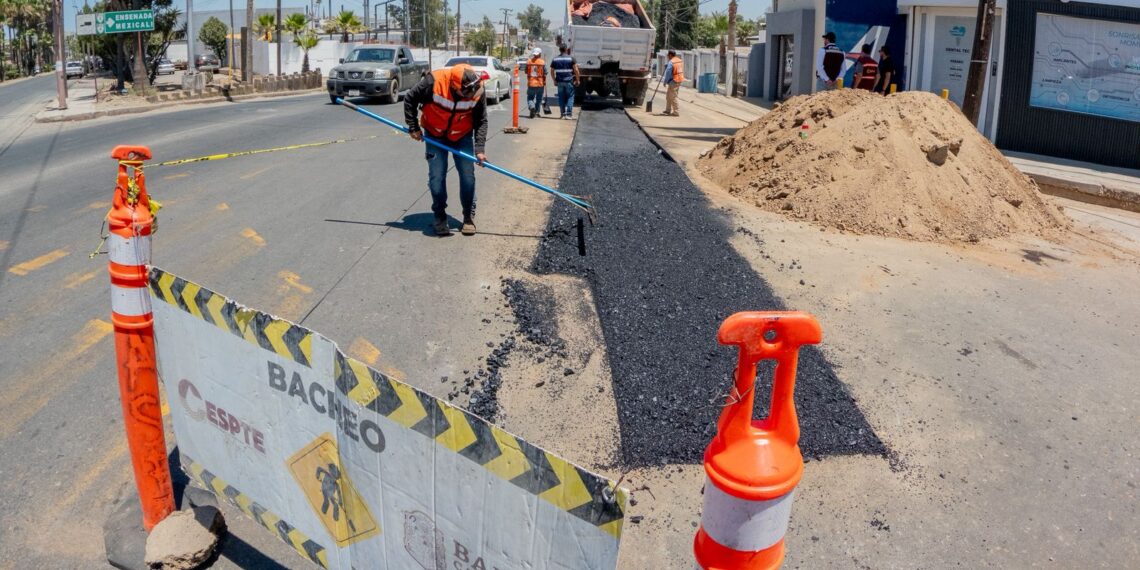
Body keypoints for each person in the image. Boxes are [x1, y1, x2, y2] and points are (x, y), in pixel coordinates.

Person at [404, 64, 489, 237]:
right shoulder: (433, 82)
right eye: (467, 94)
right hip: (434, 134)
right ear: (455, 87)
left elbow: (481, 120)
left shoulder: (477, 88)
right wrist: (413, 127)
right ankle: (440, 216)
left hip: (462, 135)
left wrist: (479, 149)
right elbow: (410, 98)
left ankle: (468, 217)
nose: (471, 97)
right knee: (437, 176)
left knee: (467, 174)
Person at [550, 46, 580, 119]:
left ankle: (562, 114)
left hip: (559, 82)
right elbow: (576, 70)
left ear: (560, 50)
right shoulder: (571, 58)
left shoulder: (555, 59)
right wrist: (578, 80)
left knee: (561, 97)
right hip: (569, 81)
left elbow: (552, 71)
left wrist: (554, 80)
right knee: (570, 97)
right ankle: (569, 115)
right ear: (566, 50)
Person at [525, 48, 547, 119]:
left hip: (531, 83)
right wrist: (544, 81)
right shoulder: (542, 62)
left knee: (530, 98)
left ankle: (532, 107)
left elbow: (526, 71)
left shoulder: (528, 61)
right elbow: (545, 72)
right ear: (539, 54)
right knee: (539, 99)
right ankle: (537, 112)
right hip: (540, 84)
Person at [662, 49, 684, 117]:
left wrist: (665, 81)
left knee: (673, 97)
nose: (668, 56)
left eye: (668, 55)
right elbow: (676, 68)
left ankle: (676, 112)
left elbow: (668, 72)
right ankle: (668, 110)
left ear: (670, 55)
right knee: (668, 96)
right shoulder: (679, 60)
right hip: (679, 79)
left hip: (673, 81)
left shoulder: (671, 62)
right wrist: (667, 65)